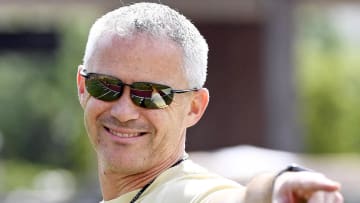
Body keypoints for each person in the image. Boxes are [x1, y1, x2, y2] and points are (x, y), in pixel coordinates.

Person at [76, 2, 343, 203]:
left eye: (151, 95)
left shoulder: (189, 194)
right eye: (106, 86)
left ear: (194, 107)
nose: (123, 112)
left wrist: (271, 192)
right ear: (82, 87)